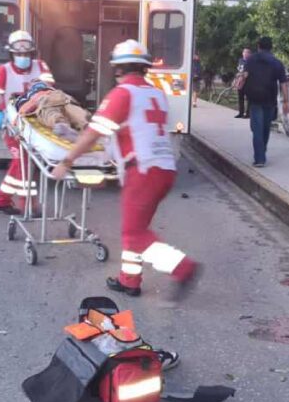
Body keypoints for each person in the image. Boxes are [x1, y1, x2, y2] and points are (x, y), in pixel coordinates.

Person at [52, 40, 200, 300]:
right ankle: (129, 280)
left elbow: (93, 135)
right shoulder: (155, 94)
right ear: (144, 67)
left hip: (143, 171)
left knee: (134, 233)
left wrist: (66, 162)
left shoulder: (122, 93)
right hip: (164, 169)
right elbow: (128, 129)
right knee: (137, 228)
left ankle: (182, 268)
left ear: (117, 69)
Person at [0, 30, 55, 214]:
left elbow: (50, 91)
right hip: (13, 126)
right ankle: (25, 204)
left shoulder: (41, 67)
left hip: (37, 125)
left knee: (29, 163)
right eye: (19, 54)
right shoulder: (4, 71)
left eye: (26, 54)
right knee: (23, 161)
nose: (23, 57)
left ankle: (5, 200)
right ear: (12, 54)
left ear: (32, 53)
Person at [243, 37, 289, 167]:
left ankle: (259, 158)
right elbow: (283, 84)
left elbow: (244, 76)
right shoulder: (277, 63)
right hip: (270, 99)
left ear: (258, 46)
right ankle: (262, 151)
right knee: (265, 128)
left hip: (254, 99)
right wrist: (286, 101)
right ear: (271, 47)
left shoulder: (250, 60)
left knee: (257, 128)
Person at [234, 47, 251, 118]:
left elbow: (249, 72)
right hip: (240, 81)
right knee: (240, 97)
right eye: (244, 52)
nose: (245, 53)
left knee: (248, 98)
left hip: (248, 82)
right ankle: (241, 112)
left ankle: (248, 113)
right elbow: (239, 69)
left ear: (250, 54)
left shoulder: (251, 61)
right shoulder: (240, 60)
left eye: (247, 52)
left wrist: (242, 74)